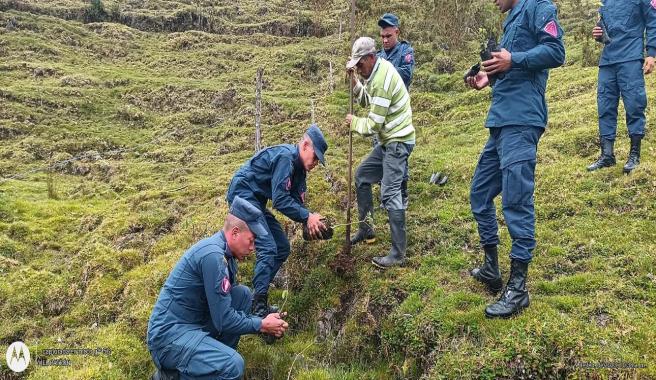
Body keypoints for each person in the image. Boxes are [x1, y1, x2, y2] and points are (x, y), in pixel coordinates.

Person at [464, 0, 565, 318]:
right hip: (500, 120)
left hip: (522, 120)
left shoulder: (539, 7)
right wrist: (488, 78)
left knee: (516, 202)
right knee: (479, 193)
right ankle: (492, 269)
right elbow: (509, 68)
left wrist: (513, 59)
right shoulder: (511, 21)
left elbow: (555, 52)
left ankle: (518, 289)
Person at [147, 196, 289, 380]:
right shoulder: (213, 256)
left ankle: (205, 367)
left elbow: (226, 308)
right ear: (235, 233)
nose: (253, 248)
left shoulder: (225, 255)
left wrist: (264, 323)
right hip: (167, 338)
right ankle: (180, 373)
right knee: (233, 365)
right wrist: (262, 325)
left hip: (191, 326)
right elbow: (224, 320)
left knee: (242, 295)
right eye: (251, 240)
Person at [226, 125, 328, 323]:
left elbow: (297, 204)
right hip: (243, 195)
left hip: (257, 201)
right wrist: (307, 216)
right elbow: (281, 201)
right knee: (268, 247)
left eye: (318, 161)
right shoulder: (285, 158)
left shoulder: (299, 172)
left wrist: (312, 223)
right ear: (305, 145)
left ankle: (256, 297)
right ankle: (258, 306)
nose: (315, 163)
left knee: (282, 247)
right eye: (315, 157)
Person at [345, 36, 416, 269]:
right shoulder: (374, 74)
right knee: (362, 176)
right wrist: (356, 85)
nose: (358, 68)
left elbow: (373, 125)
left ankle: (398, 253)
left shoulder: (383, 79)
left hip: (398, 141)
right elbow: (369, 101)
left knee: (390, 192)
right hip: (388, 141)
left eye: (360, 64)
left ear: (371, 57)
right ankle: (366, 230)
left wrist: (354, 122)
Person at [587, 0, 656, 174]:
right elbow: (604, 29)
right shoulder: (604, 2)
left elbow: (653, 21)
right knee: (605, 106)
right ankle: (607, 155)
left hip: (631, 58)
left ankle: (634, 155)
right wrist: (598, 34)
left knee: (634, 105)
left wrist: (651, 53)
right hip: (608, 60)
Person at [376, 12, 416, 208]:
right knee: (381, 151)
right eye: (382, 36)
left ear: (396, 32)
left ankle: (402, 193)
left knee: (399, 154)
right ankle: (386, 193)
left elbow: (406, 75)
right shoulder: (378, 55)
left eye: (388, 36)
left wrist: (382, 70)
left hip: (398, 114)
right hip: (381, 114)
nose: (385, 40)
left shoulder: (405, 51)